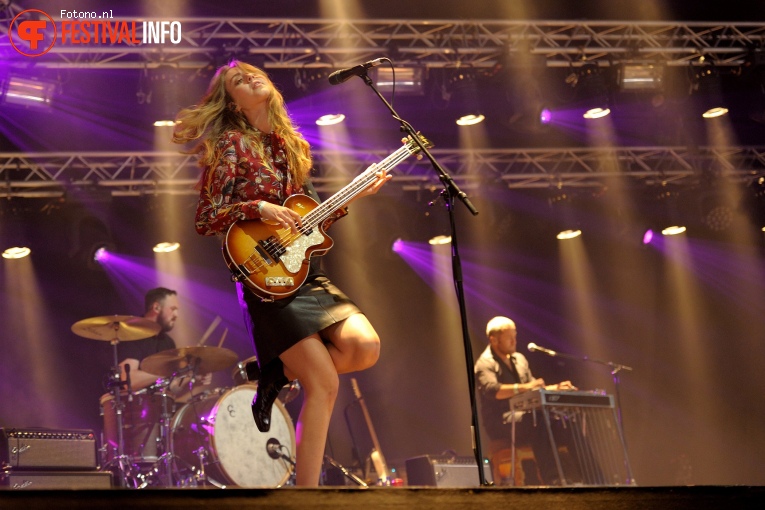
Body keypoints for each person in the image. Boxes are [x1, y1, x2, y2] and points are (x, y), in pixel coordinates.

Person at [173, 60, 389, 486]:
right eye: (238, 80)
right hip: (265, 277)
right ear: (231, 102)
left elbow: (311, 221)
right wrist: (259, 208)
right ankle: (307, 494)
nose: (251, 78)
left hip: (305, 271)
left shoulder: (292, 145)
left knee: (365, 348)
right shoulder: (231, 143)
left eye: (254, 73)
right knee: (325, 384)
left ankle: (278, 371)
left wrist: (352, 195)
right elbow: (206, 217)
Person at [475, 316, 576, 485]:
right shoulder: (484, 363)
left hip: (525, 418)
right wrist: (524, 387)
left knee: (566, 422)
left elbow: (534, 387)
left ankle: (588, 476)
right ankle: (553, 479)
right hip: (501, 422)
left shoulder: (519, 359)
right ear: (494, 340)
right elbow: (493, 391)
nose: (514, 341)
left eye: (515, 336)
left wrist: (555, 388)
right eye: (509, 338)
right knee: (537, 421)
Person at [117, 287, 210, 396]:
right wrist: (164, 373)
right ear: (156, 307)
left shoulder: (168, 342)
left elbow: (172, 388)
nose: (176, 315)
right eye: (173, 309)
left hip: (160, 408)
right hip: (134, 408)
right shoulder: (132, 334)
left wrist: (194, 380)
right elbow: (129, 380)